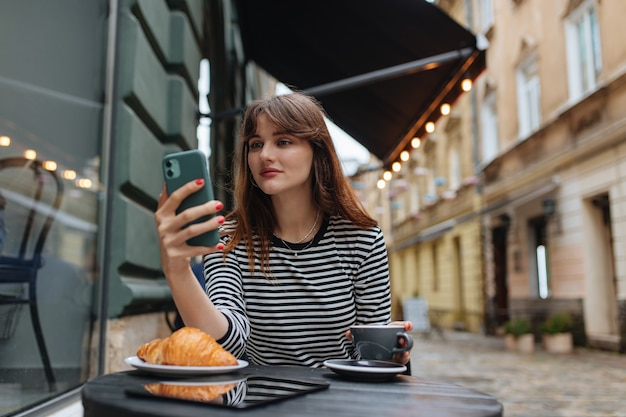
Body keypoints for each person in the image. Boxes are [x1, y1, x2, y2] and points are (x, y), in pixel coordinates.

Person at [155, 92, 412, 367]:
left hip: (339, 402)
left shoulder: (362, 240)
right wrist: (177, 270)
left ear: (317, 151)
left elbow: (370, 357)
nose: (265, 155)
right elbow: (226, 344)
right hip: (256, 403)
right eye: (255, 144)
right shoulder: (230, 238)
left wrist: (391, 352)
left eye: (283, 142)